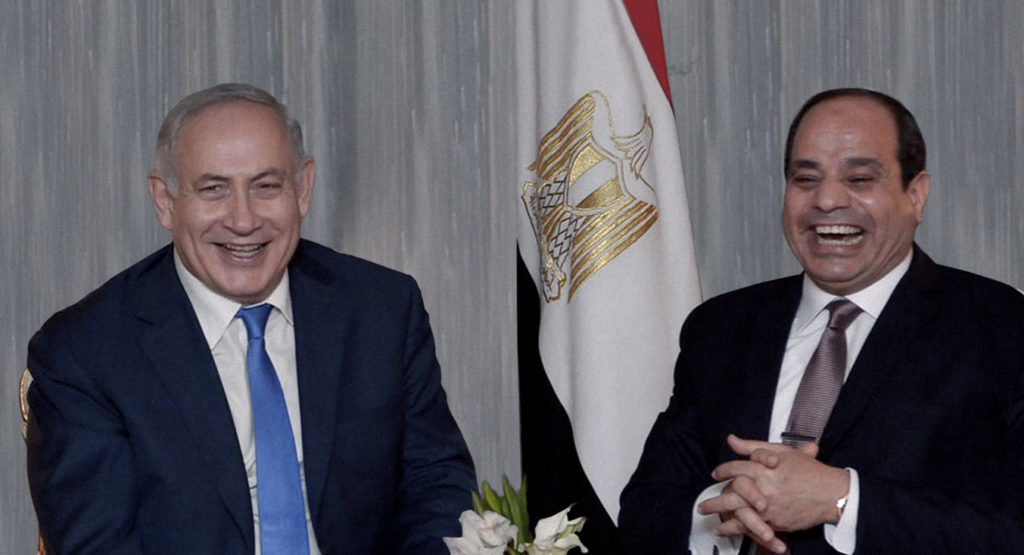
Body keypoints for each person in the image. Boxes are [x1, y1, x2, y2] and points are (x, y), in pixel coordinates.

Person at [26, 83, 476, 554]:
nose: (243, 221)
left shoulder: (381, 309)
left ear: (302, 188)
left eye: (266, 186)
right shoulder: (87, 352)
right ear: (165, 201)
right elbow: (99, 545)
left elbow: (436, 487)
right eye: (213, 189)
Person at [618, 88, 1024, 554]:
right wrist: (725, 504)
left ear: (915, 195)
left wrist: (843, 500)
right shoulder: (721, 328)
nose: (827, 200)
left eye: (860, 179)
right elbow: (644, 513)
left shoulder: (1001, 328)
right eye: (806, 179)